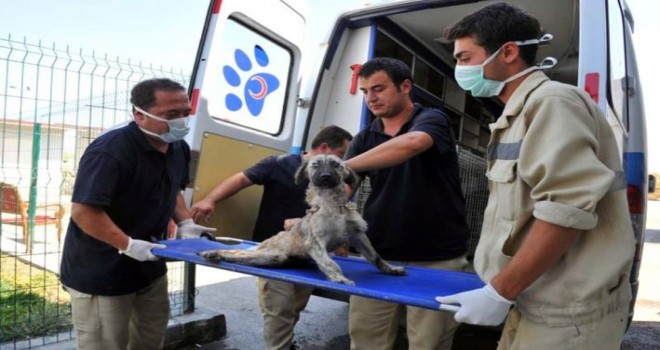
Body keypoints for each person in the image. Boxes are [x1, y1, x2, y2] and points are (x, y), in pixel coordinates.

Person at [435, 3, 635, 349]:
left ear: (508, 52)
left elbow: (565, 208)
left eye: (465, 58)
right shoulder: (519, 113)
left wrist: (500, 291)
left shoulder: (552, 102)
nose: (459, 69)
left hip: (566, 313)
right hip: (532, 299)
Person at [60, 78, 215, 350]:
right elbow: (84, 211)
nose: (181, 122)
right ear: (139, 115)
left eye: (185, 113)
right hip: (104, 271)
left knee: (149, 340)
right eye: (171, 115)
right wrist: (127, 245)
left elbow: (173, 190)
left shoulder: (178, 147)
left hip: (151, 265)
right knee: (107, 345)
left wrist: (186, 222)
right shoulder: (110, 151)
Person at [343, 57, 469, 350]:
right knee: (365, 339)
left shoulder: (433, 120)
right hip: (377, 254)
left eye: (378, 88)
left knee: (429, 343)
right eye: (364, 91)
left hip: (437, 256)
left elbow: (411, 144)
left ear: (405, 87)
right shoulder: (365, 138)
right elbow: (344, 188)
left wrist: (340, 164)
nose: (371, 98)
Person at [190, 125, 353, 350]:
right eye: (341, 154)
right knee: (279, 309)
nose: (343, 162)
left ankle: (285, 343)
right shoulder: (279, 164)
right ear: (324, 148)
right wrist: (210, 199)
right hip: (274, 251)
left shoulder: (335, 177)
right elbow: (240, 180)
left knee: (295, 306)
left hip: (310, 255)